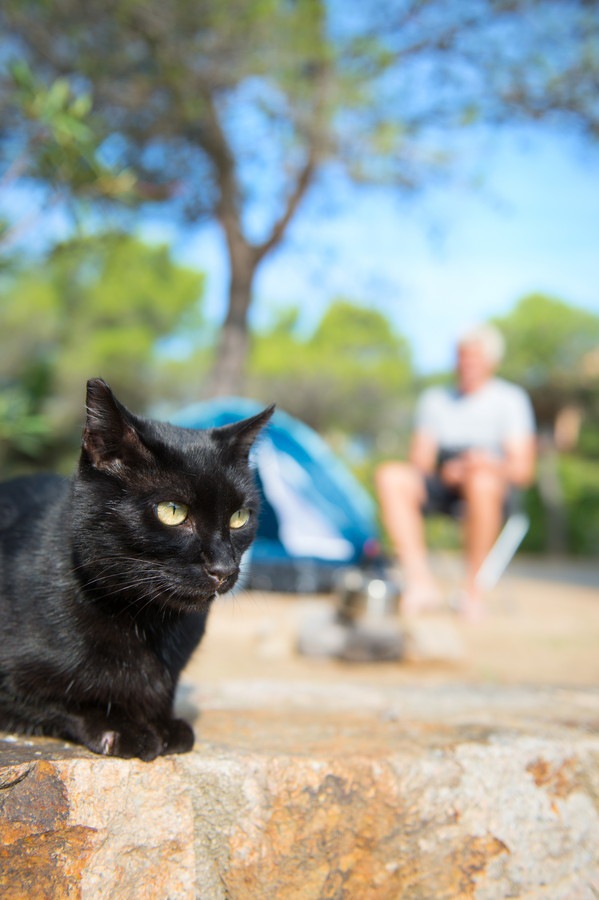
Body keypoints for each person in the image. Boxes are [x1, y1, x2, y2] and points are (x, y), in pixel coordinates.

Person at [375, 323, 536, 621]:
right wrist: (448, 470)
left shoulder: (510, 400)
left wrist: (485, 464)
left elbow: (522, 470)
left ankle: (473, 592)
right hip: (444, 482)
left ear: (491, 362)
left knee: (482, 482)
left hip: (491, 489)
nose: (466, 364)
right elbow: (419, 462)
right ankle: (420, 583)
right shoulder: (435, 399)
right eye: (461, 356)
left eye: (474, 357)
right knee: (391, 476)